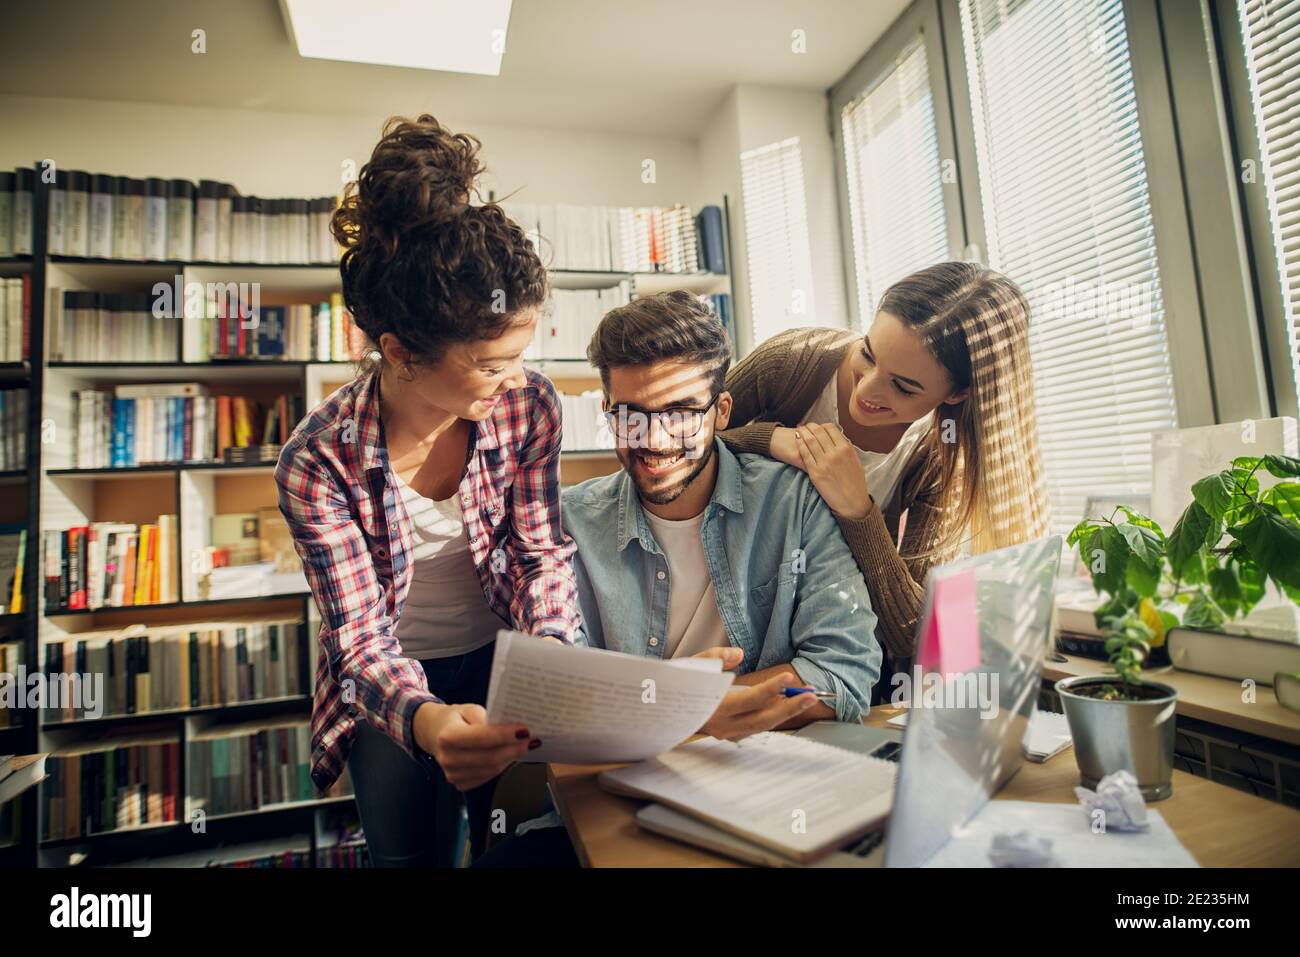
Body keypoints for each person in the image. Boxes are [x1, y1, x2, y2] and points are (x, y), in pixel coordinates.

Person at [476, 290, 883, 868]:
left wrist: (677, 709)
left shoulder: (793, 503)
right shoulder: (565, 528)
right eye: (630, 415)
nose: (654, 440)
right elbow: (560, 702)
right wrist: (689, 712)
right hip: (612, 798)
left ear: (720, 413)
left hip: (773, 790)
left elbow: (844, 670)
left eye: (680, 414)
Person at [275, 114, 579, 867]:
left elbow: (541, 554)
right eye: (487, 363)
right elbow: (360, 637)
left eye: (520, 354)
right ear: (401, 351)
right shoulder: (317, 462)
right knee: (410, 859)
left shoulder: (529, 404)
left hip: (508, 659)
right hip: (390, 688)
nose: (512, 378)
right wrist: (430, 722)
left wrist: (548, 662)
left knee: (524, 849)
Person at [719, 261, 1049, 679]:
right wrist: (770, 439)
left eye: (904, 386)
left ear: (959, 393)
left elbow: (913, 633)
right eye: (867, 354)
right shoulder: (794, 363)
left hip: (831, 663)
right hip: (726, 627)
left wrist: (858, 509)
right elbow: (671, 441)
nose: (867, 389)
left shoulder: (939, 455)